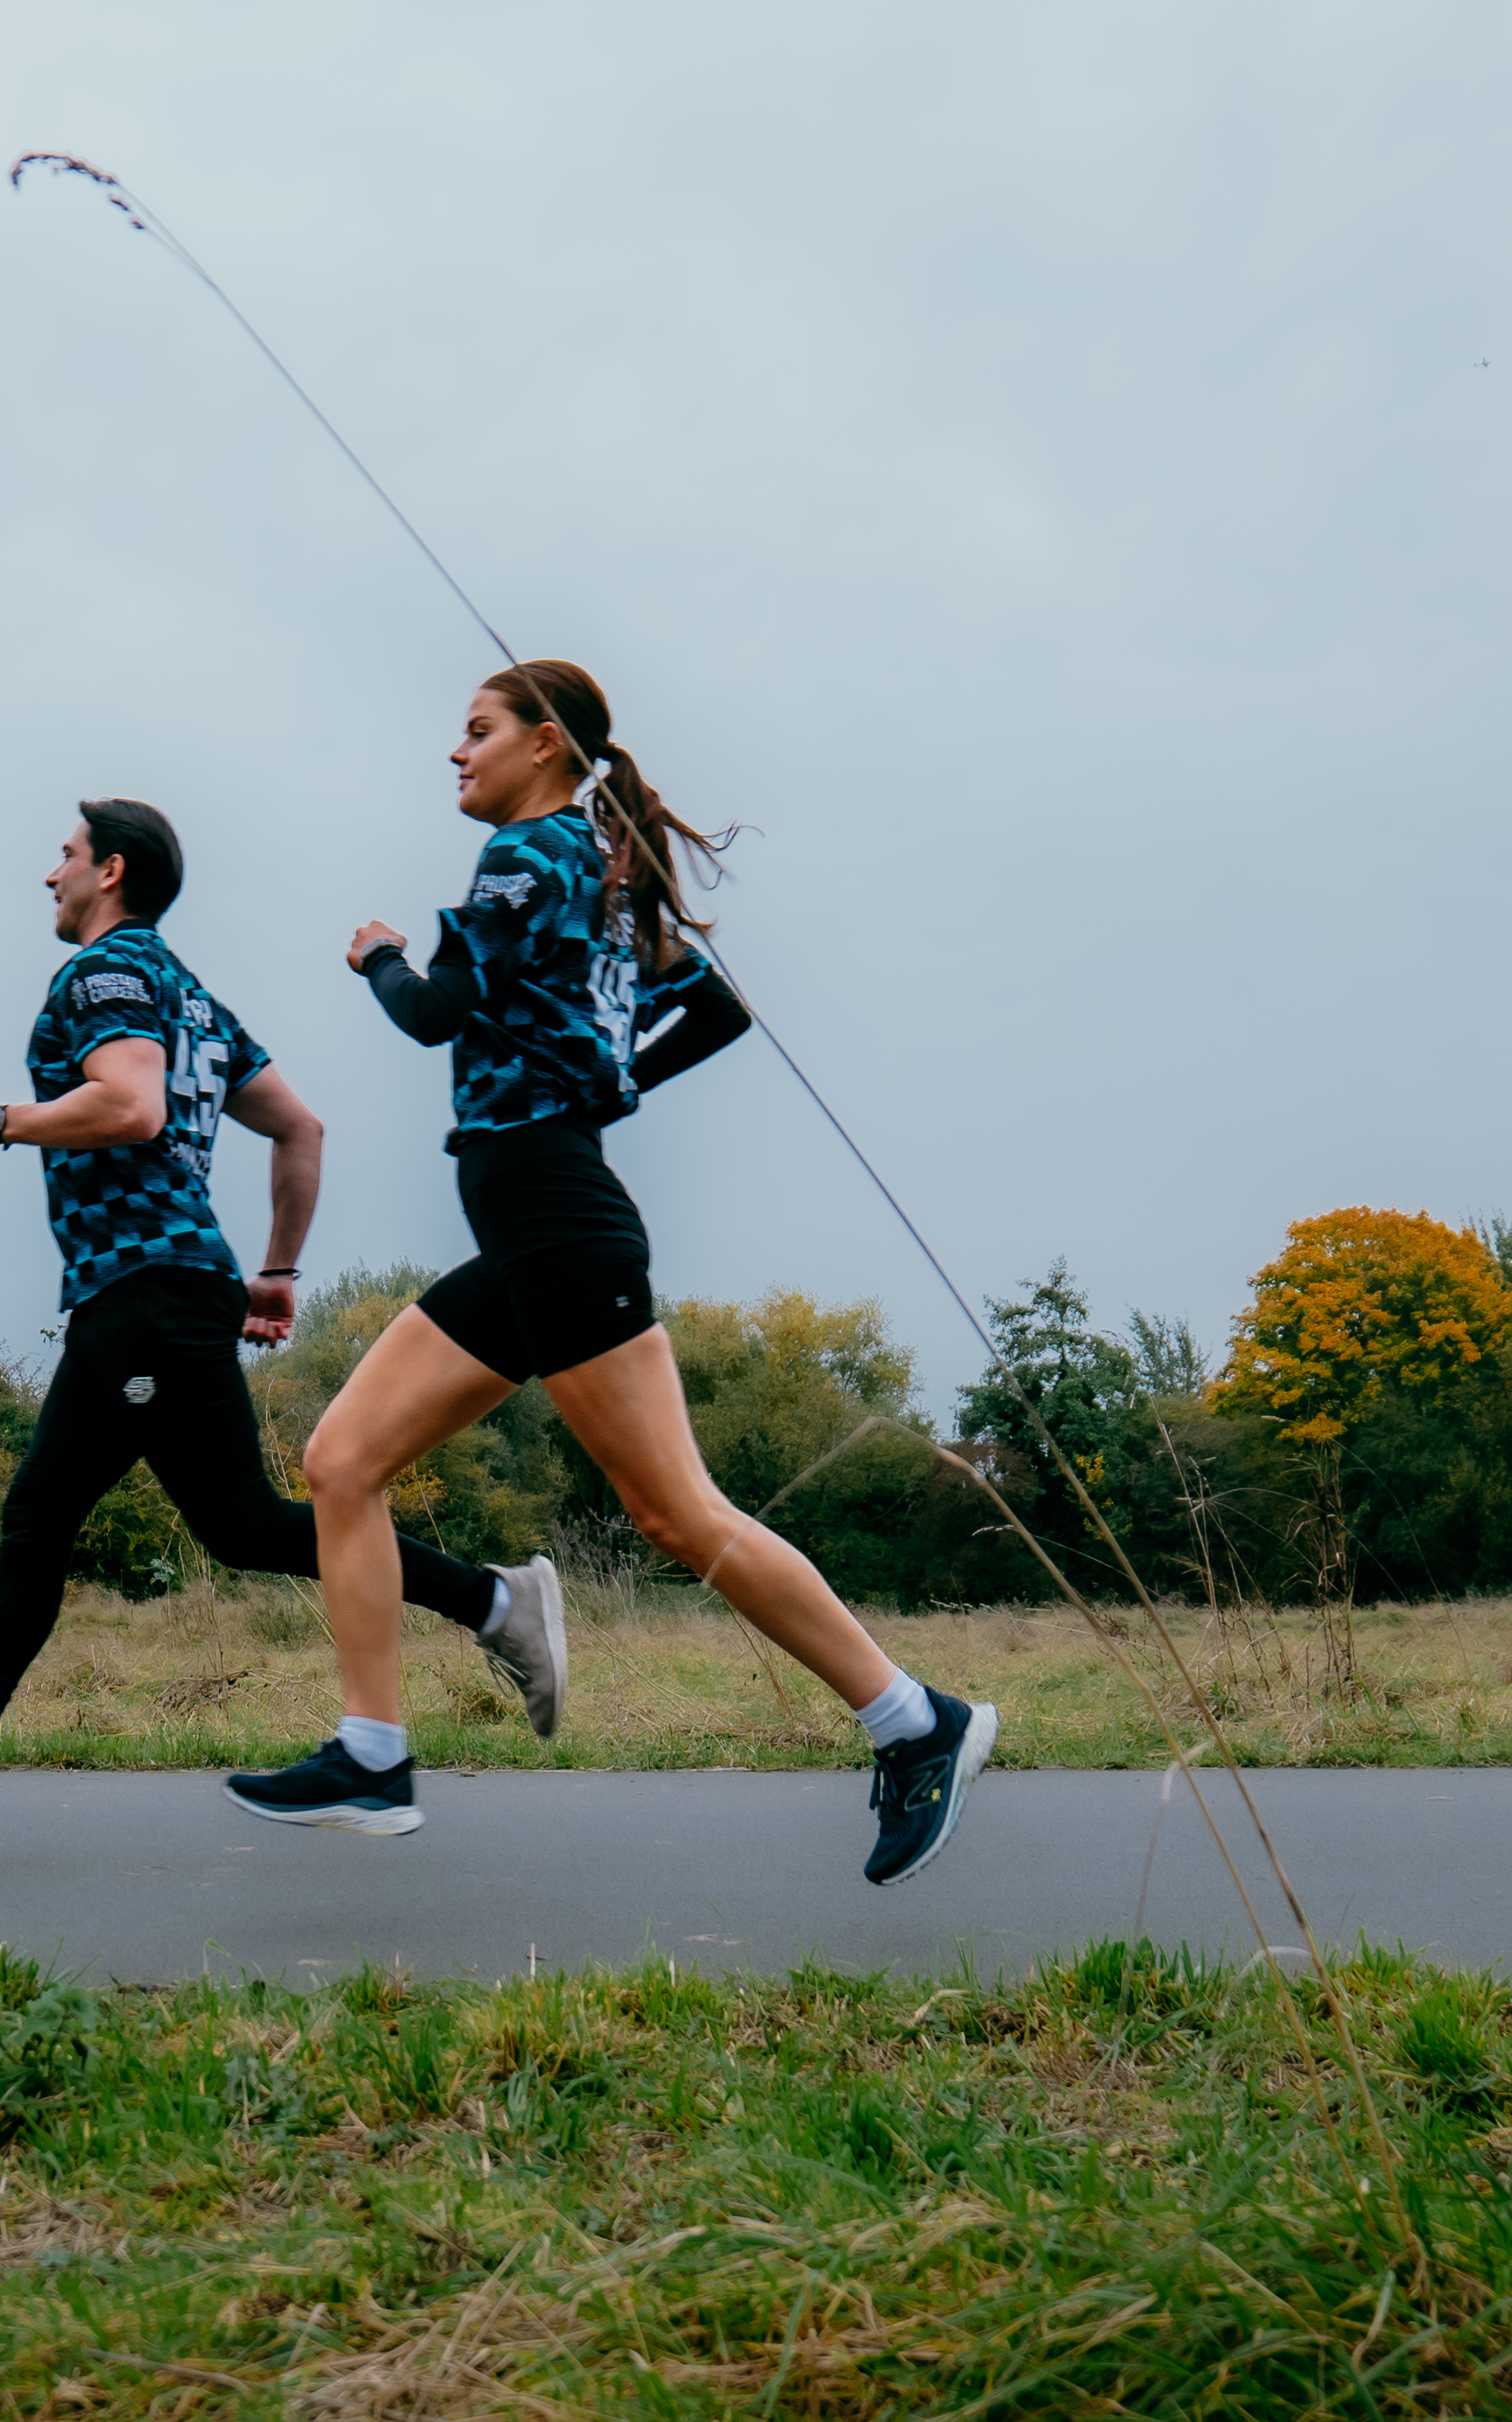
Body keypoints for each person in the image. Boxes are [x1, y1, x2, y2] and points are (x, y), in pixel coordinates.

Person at [221, 665, 997, 1881]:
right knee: (340, 1461)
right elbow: (717, 1012)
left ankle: (913, 1721)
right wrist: (600, 1083)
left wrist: (377, 956)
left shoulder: (529, 858)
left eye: (473, 732)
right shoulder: (602, 876)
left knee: (673, 1510)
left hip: (558, 1216)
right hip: (533, 1220)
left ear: (544, 744)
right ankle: (371, 1754)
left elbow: (432, 1012)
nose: (454, 753)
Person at [0, 798, 565, 1827]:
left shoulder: (106, 973)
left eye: (67, 856)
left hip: (145, 1293)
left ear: (112, 871)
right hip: (160, 1292)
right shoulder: (190, 995)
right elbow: (298, 1126)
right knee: (78, 1518)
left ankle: (496, 1601)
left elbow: (132, 1104)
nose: (52, 874)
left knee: (229, 1522)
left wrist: (0, 1121)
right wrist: (275, 1270)